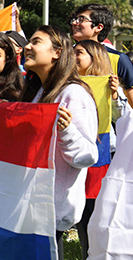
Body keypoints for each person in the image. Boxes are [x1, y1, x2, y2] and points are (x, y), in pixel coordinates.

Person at [20, 25, 99, 260]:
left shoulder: (73, 94)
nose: (27, 47)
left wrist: (66, 131)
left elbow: (87, 156)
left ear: (56, 52)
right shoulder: (36, 92)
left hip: (50, 210)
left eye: (36, 42)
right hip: (29, 204)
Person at [73, 39, 120, 260]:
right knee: (81, 220)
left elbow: (123, 123)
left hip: (98, 165)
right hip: (72, 161)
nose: (73, 57)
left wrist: (114, 98)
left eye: (79, 53)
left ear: (95, 59)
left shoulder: (111, 89)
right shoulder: (64, 85)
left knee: (93, 220)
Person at [70, 3, 133, 108]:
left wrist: (115, 96)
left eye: (81, 19)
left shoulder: (118, 59)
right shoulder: (64, 57)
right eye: (74, 19)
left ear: (99, 27)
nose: (74, 23)